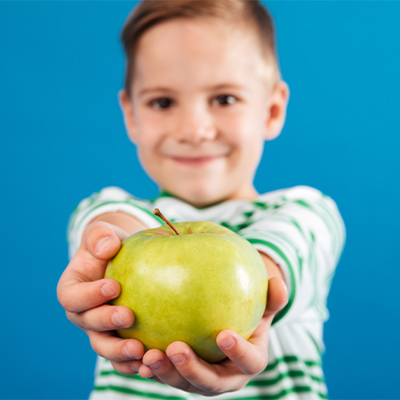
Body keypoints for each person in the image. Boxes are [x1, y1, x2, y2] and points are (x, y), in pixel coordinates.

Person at [57, 0, 345, 399]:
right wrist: (106, 247)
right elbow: (108, 223)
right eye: (163, 102)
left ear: (272, 110)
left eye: (224, 99)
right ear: (132, 115)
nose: (193, 129)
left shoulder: (306, 212)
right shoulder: (122, 211)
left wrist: (249, 297)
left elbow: (281, 257)